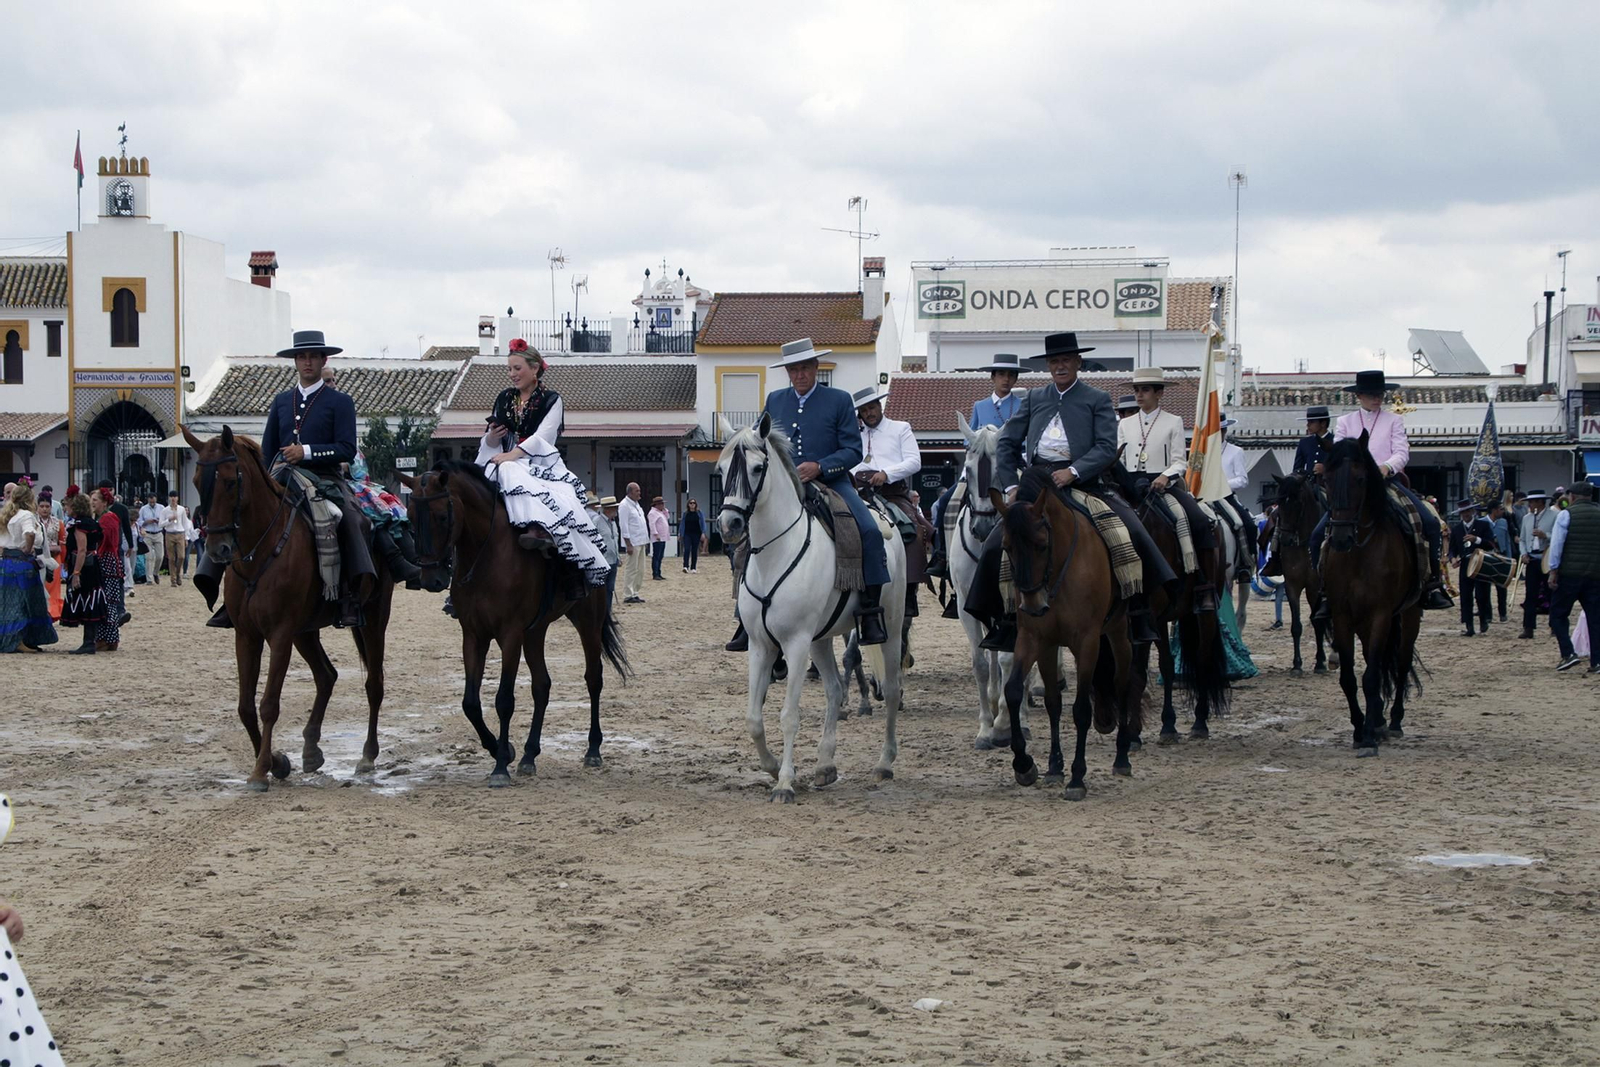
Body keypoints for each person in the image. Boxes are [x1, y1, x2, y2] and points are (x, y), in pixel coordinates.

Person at [966, 331, 1178, 651]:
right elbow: (1007, 443)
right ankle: (1004, 619)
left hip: (1084, 483)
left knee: (1130, 529)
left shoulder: (1097, 398)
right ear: (1048, 365)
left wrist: (1074, 471)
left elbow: (1106, 447)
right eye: (1054, 361)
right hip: (1035, 483)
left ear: (1078, 362)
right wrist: (1011, 485)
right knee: (998, 540)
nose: (1060, 366)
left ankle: (1139, 611)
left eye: (1066, 360)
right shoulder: (1034, 398)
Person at [758, 337, 890, 644]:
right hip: (786, 486)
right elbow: (760, 440)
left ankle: (870, 611)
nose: (800, 374)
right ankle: (746, 612)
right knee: (748, 534)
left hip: (833, 482)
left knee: (869, 531)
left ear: (816, 367)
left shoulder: (839, 400)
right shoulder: (775, 400)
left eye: (805, 368)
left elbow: (853, 450)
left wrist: (820, 466)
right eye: (793, 369)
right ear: (787, 372)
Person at [1312, 370, 1453, 617]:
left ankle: (1431, 584)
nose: (1377, 398)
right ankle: (1324, 590)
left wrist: (1387, 466)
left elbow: (1402, 451)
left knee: (1429, 522)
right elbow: (1338, 452)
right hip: (1354, 486)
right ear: (1359, 396)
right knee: (1316, 535)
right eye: (1371, 394)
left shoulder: (1393, 420)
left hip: (1387, 482)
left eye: (1380, 394)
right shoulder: (1345, 422)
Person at [1117, 365, 1218, 610]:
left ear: (1159, 393)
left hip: (1162, 485)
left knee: (1198, 520)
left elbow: (1180, 461)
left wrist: (1165, 476)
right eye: (1137, 390)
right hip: (1131, 486)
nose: (1139, 395)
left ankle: (1204, 586)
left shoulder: (1173, 421)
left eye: (1145, 390)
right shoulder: (1124, 424)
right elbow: (1120, 460)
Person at [929, 353, 1027, 580]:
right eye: (1001, 374)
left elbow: (1025, 439)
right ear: (993, 377)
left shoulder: (1021, 405)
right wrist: (980, 441)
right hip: (980, 463)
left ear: (1015, 379)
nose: (1006, 379)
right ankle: (942, 556)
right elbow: (969, 438)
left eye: (1011, 375)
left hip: (1010, 465)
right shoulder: (980, 406)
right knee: (946, 502)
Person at [851, 383, 929, 616]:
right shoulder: (855, 435)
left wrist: (887, 473)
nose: (869, 413)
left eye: (872, 407)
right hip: (859, 491)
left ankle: (909, 590)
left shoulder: (900, 428)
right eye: (864, 410)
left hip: (892, 492)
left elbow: (914, 461)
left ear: (880, 405)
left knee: (913, 530)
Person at [1547, 482, 1600, 672]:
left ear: (1573, 497)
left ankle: (1568, 653)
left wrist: (1553, 571)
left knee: (1557, 615)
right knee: (1595, 619)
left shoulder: (1566, 514)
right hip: (1595, 575)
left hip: (1569, 574)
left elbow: (1557, 545)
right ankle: (1597, 661)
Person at [0, 484, 58, 652]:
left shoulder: (6, 514)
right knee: (24, 602)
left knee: (8, 602)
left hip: (6, 563)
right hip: (21, 563)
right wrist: (27, 547)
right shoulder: (25, 515)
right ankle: (19, 641)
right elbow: (30, 533)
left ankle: (18, 639)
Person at [58, 493, 106, 654]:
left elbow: (82, 550)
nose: (65, 509)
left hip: (85, 567)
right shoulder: (92, 523)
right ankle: (89, 641)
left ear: (75, 507)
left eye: (67, 505)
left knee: (87, 600)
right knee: (91, 600)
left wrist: (76, 572)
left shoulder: (80, 525)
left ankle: (88, 642)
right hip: (92, 565)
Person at [1217, 415, 1257, 581]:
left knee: (1248, 524)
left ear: (1224, 431)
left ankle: (1246, 564)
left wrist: (1222, 484)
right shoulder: (1202, 451)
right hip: (1203, 497)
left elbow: (1242, 479)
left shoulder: (1235, 451)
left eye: (1219, 431)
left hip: (1226, 497)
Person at [1519, 489, 1559, 639]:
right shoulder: (1526, 518)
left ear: (1541, 502)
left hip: (1547, 558)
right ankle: (1528, 627)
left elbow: (1558, 536)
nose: (1529, 505)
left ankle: (1554, 625)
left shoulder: (1554, 516)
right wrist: (1523, 553)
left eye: (1532, 502)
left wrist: (1545, 535)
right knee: (1530, 594)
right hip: (1532, 558)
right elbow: (1522, 539)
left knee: (1551, 593)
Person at [1450, 500, 1494, 636]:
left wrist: (1477, 540)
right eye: (1463, 512)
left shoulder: (1483, 525)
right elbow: (1452, 548)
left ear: (1473, 511)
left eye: (1468, 511)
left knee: (1482, 594)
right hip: (1465, 563)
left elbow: (1491, 544)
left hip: (1480, 562)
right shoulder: (1457, 529)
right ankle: (1469, 625)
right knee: (1465, 595)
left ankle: (1483, 620)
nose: (1465, 514)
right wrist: (1453, 558)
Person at [91, 487, 126, 650]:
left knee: (107, 602)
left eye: (95, 500)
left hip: (106, 561)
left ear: (104, 502)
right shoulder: (107, 517)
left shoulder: (107, 519)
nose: (92, 503)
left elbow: (105, 542)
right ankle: (108, 639)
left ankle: (107, 639)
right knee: (107, 602)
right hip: (109, 561)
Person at [96, 480, 134, 603]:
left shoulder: (121, 508)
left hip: (116, 547)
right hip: (99, 548)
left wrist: (130, 545)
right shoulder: (95, 509)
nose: (108, 492)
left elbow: (127, 527)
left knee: (119, 577)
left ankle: (120, 606)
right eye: (104, 490)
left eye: (110, 490)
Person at [618, 482, 649, 603]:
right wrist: (628, 544)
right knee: (631, 569)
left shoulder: (637, 504)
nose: (639, 493)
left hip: (641, 541)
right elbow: (624, 525)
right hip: (633, 542)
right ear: (630, 492)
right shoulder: (624, 505)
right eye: (637, 491)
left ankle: (635, 592)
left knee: (640, 569)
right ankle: (628, 594)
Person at [36, 495, 65, 621]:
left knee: (53, 586)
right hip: (38, 559)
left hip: (54, 559)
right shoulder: (33, 522)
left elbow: (62, 542)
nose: (44, 509)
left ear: (51, 507)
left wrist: (63, 559)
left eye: (47, 506)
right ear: (37, 507)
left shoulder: (58, 523)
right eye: (42, 506)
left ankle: (52, 612)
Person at [590, 494, 621, 611]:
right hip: (602, 561)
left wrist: (618, 557)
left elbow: (614, 541)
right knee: (600, 589)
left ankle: (607, 611)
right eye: (614, 508)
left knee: (610, 589)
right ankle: (600, 612)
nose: (616, 510)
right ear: (607, 509)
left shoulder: (613, 523)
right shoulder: (597, 522)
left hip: (613, 561)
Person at [1293, 405, 1334, 477]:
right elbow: (1297, 469)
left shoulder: (1336, 441)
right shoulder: (1304, 443)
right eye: (1308, 421)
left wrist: (1326, 469)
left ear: (1323, 423)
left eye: (1312, 422)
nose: (1308, 425)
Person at [138, 491, 169, 584]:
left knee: (160, 556)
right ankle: (149, 579)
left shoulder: (161, 508)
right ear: (148, 500)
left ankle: (155, 572)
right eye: (150, 501)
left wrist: (160, 521)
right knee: (149, 557)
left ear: (156, 499)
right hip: (147, 534)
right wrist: (147, 522)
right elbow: (139, 521)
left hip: (158, 533)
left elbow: (166, 520)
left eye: (153, 501)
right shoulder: (143, 509)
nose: (152, 503)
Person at [1489, 500, 1512, 622]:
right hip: (1488, 556)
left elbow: (1507, 540)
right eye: (1500, 509)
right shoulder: (1482, 522)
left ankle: (1502, 613)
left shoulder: (1503, 522)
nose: (1503, 511)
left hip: (1501, 555)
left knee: (1502, 586)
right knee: (1485, 587)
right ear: (1494, 510)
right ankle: (1487, 614)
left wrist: (1509, 558)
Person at [159, 490, 188, 588]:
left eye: (175, 497)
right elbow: (160, 524)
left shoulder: (182, 509)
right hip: (169, 534)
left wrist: (186, 537)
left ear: (177, 498)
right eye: (171, 497)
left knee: (181, 556)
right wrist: (169, 520)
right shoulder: (165, 510)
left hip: (180, 533)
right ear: (169, 498)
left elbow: (185, 523)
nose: (173, 499)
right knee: (171, 558)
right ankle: (173, 579)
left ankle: (178, 572)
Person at [648, 496, 670, 580]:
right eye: (661, 504)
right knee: (656, 556)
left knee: (660, 556)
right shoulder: (652, 513)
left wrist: (665, 510)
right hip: (658, 537)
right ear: (657, 505)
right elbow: (652, 524)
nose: (663, 505)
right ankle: (655, 573)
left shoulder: (660, 512)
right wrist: (655, 534)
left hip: (663, 537)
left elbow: (667, 517)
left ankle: (659, 572)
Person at [680, 498, 705, 574]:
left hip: (696, 534)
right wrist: (680, 533)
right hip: (687, 534)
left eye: (694, 503)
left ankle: (693, 567)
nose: (692, 504)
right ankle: (685, 566)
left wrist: (703, 533)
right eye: (690, 503)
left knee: (694, 550)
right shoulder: (685, 513)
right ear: (688, 504)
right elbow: (682, 524)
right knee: (687, 549)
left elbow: (703, 523)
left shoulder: (699, 513)